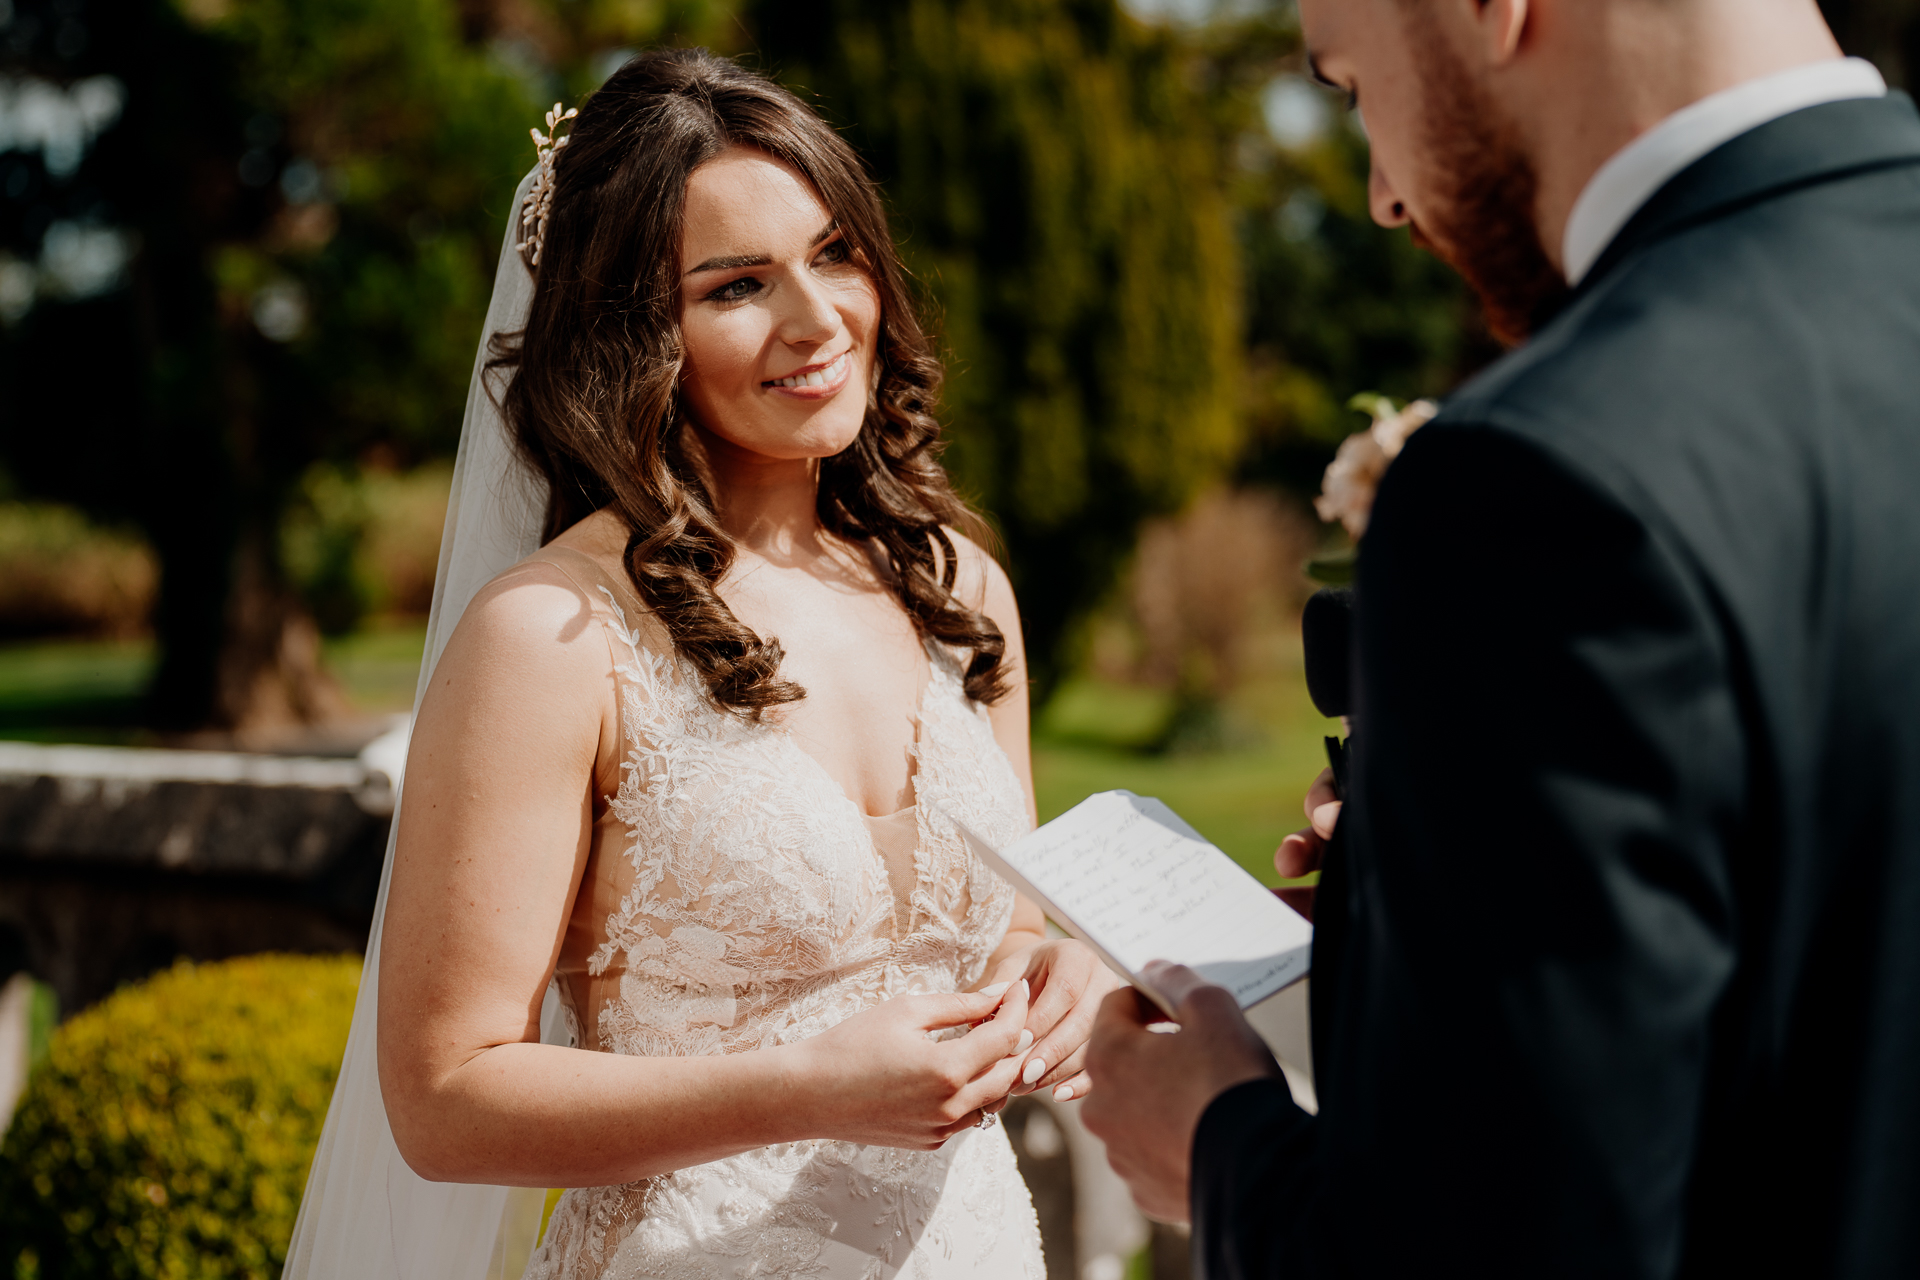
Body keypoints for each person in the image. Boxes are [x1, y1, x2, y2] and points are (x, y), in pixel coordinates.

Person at [1082, 1, 1920, 1276]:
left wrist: (1219, 1143)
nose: (1381, 196)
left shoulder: (1547, 475)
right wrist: (1413, 903)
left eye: (1358, 86)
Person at [286, 49, 1121, 1280]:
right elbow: (444, 1096)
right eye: (737, 285)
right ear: (633, 332)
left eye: (836, 252)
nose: (819, 316)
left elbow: (1003, 941)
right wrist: (801, 1089)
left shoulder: (958, 587)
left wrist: (1064, 967)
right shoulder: (551, 637)